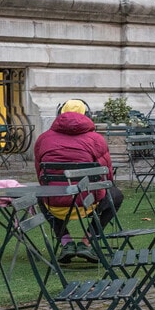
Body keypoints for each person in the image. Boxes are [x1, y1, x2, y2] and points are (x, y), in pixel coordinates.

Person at [33, 99, 124, 264]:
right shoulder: (96, 139)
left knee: (45, 193)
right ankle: (87, 241)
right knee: (115, 195)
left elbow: (40, 175)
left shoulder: (43, 139)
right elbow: (107, 178)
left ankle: (66, 242)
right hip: (88, 204)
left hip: (54, 206)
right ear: (87, 115)